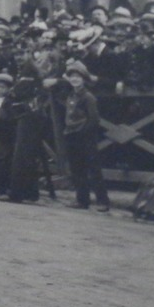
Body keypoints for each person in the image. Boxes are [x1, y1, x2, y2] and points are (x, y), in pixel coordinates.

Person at [59, 60, 110, 211]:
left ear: (84, 79)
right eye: (72, 76)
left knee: (93, 169)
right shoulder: (71, 96)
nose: (74, 79)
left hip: (85, 136)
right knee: (77, 169)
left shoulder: (88, 97)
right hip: (71, 135)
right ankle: (82, 200)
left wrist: (83, 132)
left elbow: (94, 119)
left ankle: (103, 201)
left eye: (78, 76)